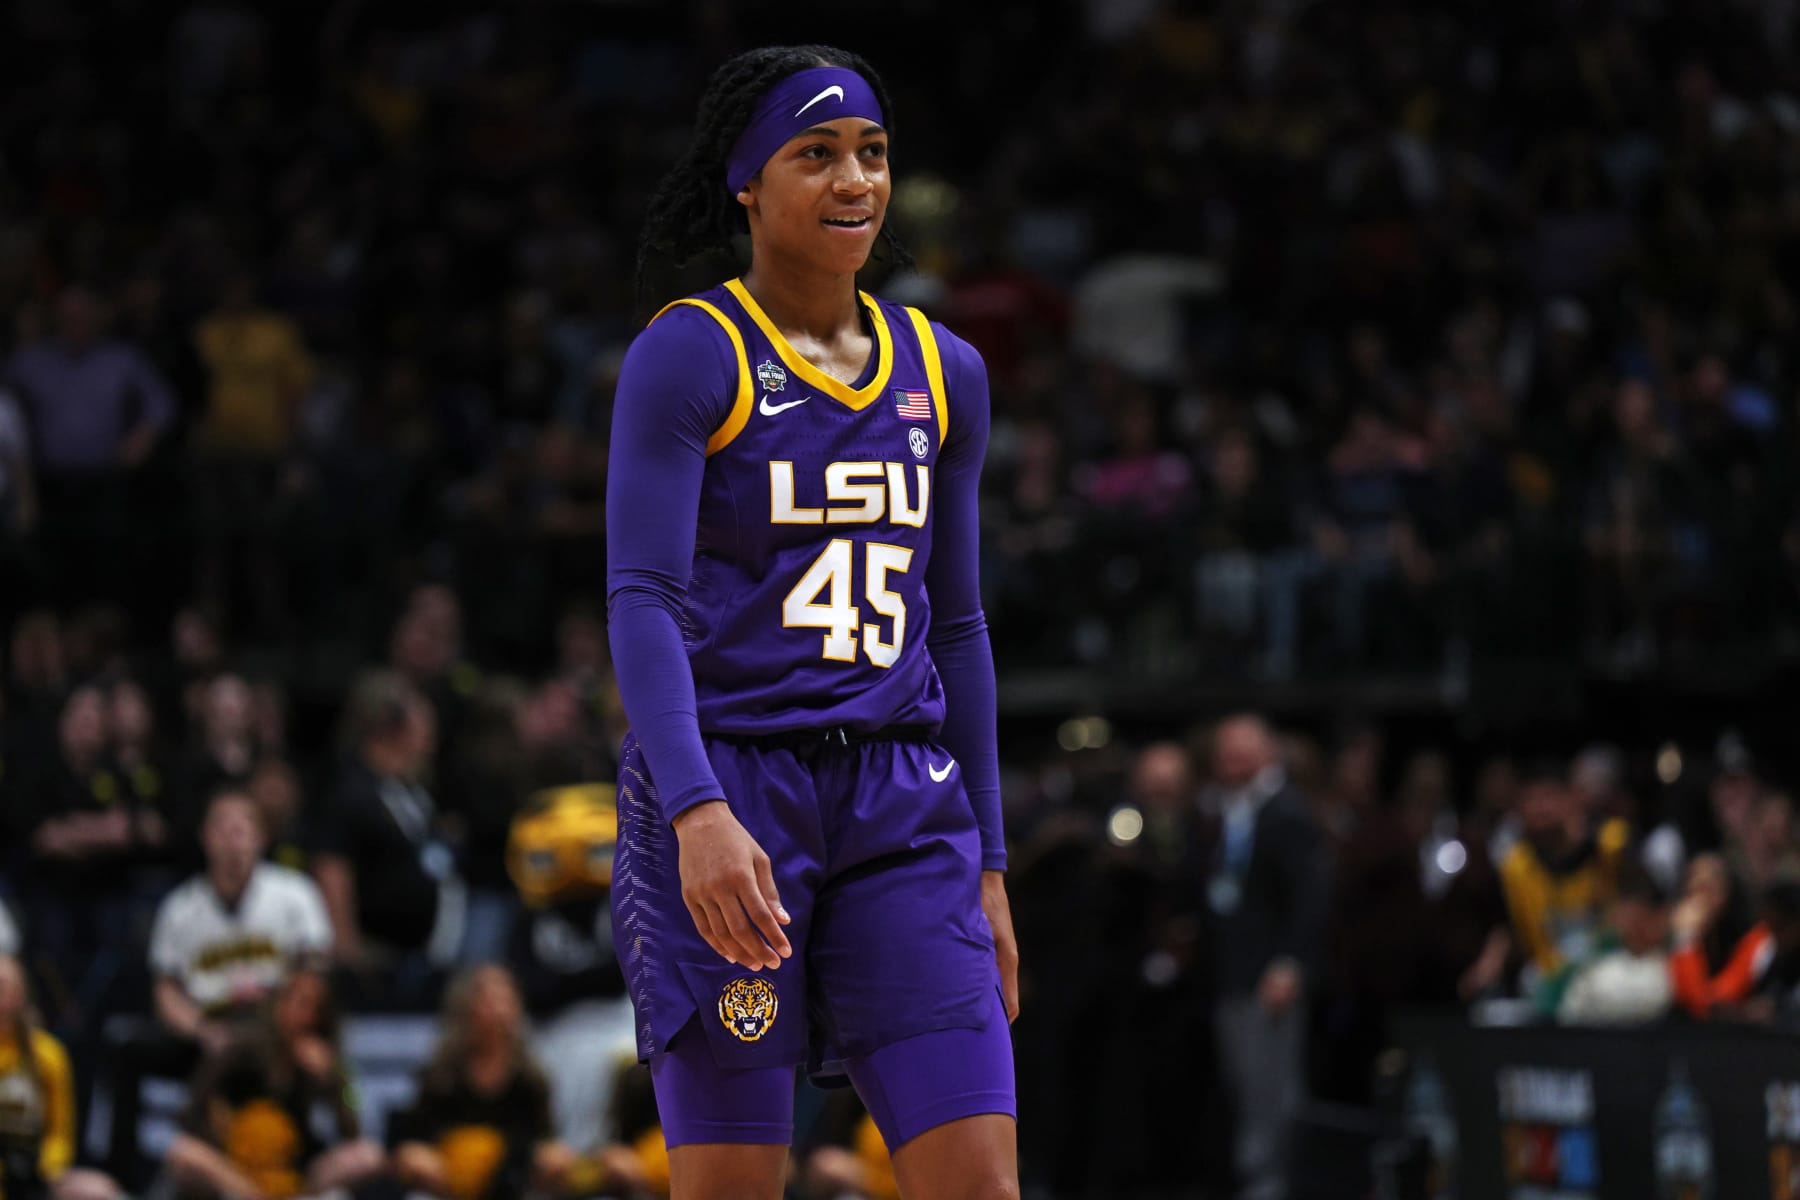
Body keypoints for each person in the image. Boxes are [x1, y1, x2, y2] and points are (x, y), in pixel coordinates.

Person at [605, 45, 1018, 1200]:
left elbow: (959, 629)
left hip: (904, 804)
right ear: (747, 182)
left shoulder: (947, 372)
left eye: (873, 155)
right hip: (737, 792)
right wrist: (694, 813)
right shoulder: (692, 351)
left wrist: (989, 862)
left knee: (980, 1185)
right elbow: (642, 598)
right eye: (817, 154)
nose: (855, 180)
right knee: (735, 1185)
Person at [164, 967, 384, 1199]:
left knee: (368, 1155)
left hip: (296, 1173)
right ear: (279, 1004)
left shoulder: (331, 1063)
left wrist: (333, 1081)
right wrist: (221, 1128)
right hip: (236, 1169)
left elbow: (352, 1131)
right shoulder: (241, 1051)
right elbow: (192, 1112)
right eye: (302, 1004)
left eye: (318, 1010)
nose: (308, 1016)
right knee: (183, 1153)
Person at [389, 965, 574, 1200]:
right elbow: (416, 1135)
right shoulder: (441, 1072)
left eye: (505, 1000)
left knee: (557, 1159)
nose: (498, 1011)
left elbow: (542, 1137)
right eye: (488, 1000)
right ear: (465, 1009)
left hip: (511, 1175)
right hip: (448, 1175)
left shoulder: (531, 1077)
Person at [0, 954, 125, 1200]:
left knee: (102, 1190)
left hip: (34, 1171)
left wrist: (43, 1167)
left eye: (3, 987)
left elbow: (61, 1135)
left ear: (21, 992)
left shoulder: (48, 1054)